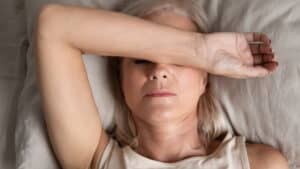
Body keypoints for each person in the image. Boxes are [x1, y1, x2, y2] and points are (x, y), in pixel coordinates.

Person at [34, 0, 288, 169]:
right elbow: (54, 25)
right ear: (121, 79)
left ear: (205, 78)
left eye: (180, 61)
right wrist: (197, 49)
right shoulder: (94, 158)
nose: (159, 71)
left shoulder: (258, 164)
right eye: (142, 60)